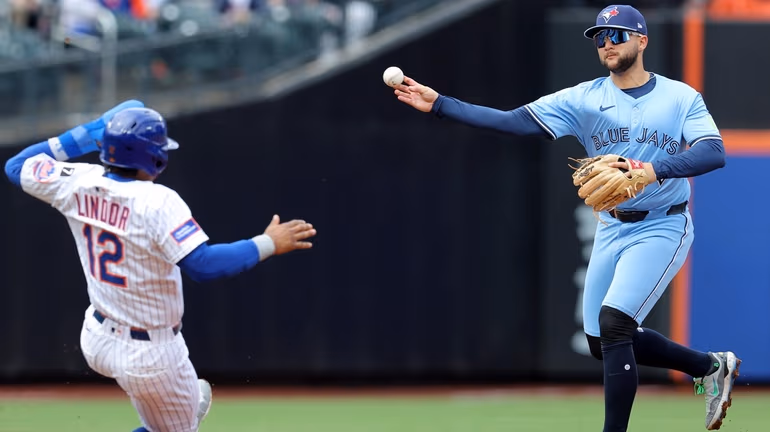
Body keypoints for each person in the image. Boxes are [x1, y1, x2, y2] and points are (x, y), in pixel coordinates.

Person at [391, 4, 738, 432]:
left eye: (617, 35)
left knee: (615, 324)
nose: (607, 43)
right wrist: (441, 104)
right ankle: (709, 367)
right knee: (599, 341)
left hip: (662, 223)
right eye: (600, 37)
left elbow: (712, 152)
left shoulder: (679, 97)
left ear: (642, 40)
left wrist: (651, 170)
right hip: (612, 225)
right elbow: (513, 122)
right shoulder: (583, 98)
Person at [4, 100, 317, 432]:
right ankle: (179, 413)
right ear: (154, 157)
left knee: (173, 420)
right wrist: (268, 242)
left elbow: (17, 165)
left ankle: (180, 409)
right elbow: (204, 266)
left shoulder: (77, 181)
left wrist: (86, 134)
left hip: (97, 335)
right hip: (150, 354)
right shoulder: (158, 202)